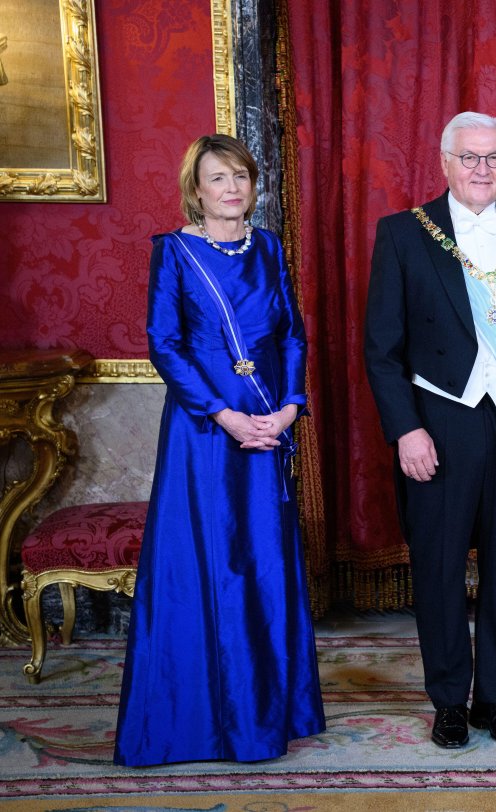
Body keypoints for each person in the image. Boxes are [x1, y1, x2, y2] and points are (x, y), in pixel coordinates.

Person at [364, 112, 496, 749]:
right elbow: (382, 349)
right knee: (438, 565)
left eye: (493, 158)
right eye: (469, 158)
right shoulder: (403, 233)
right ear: (444, 162)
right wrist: (406, 430)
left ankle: (495, 700)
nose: (482, 169)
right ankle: (449, 702)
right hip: (440, 421)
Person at [115, 134, 325, 766]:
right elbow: (164, 344)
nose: (231, 188)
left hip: (269, 424)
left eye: (240, 176)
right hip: (204, 433)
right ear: (195, 189)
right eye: (217, 179)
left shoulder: (268, 248)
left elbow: (292, 332)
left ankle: (268, 711)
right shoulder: (174, 253)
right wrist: (226, 414)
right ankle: (204, 720)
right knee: (210, 561)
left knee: (262, 560)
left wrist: (288, 407)